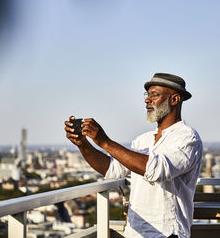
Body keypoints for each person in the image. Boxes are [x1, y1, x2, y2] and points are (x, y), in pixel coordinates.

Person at [64, 73, 203, 238]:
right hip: (134, 232)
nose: (147, 100)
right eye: (147, 95)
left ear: (174, 100)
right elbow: (112, 170)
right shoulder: (142, 140)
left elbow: (157, 171)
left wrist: (105, 142)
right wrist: (83, 144)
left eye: (155, 95)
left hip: (167, 234)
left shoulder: (187, 137)